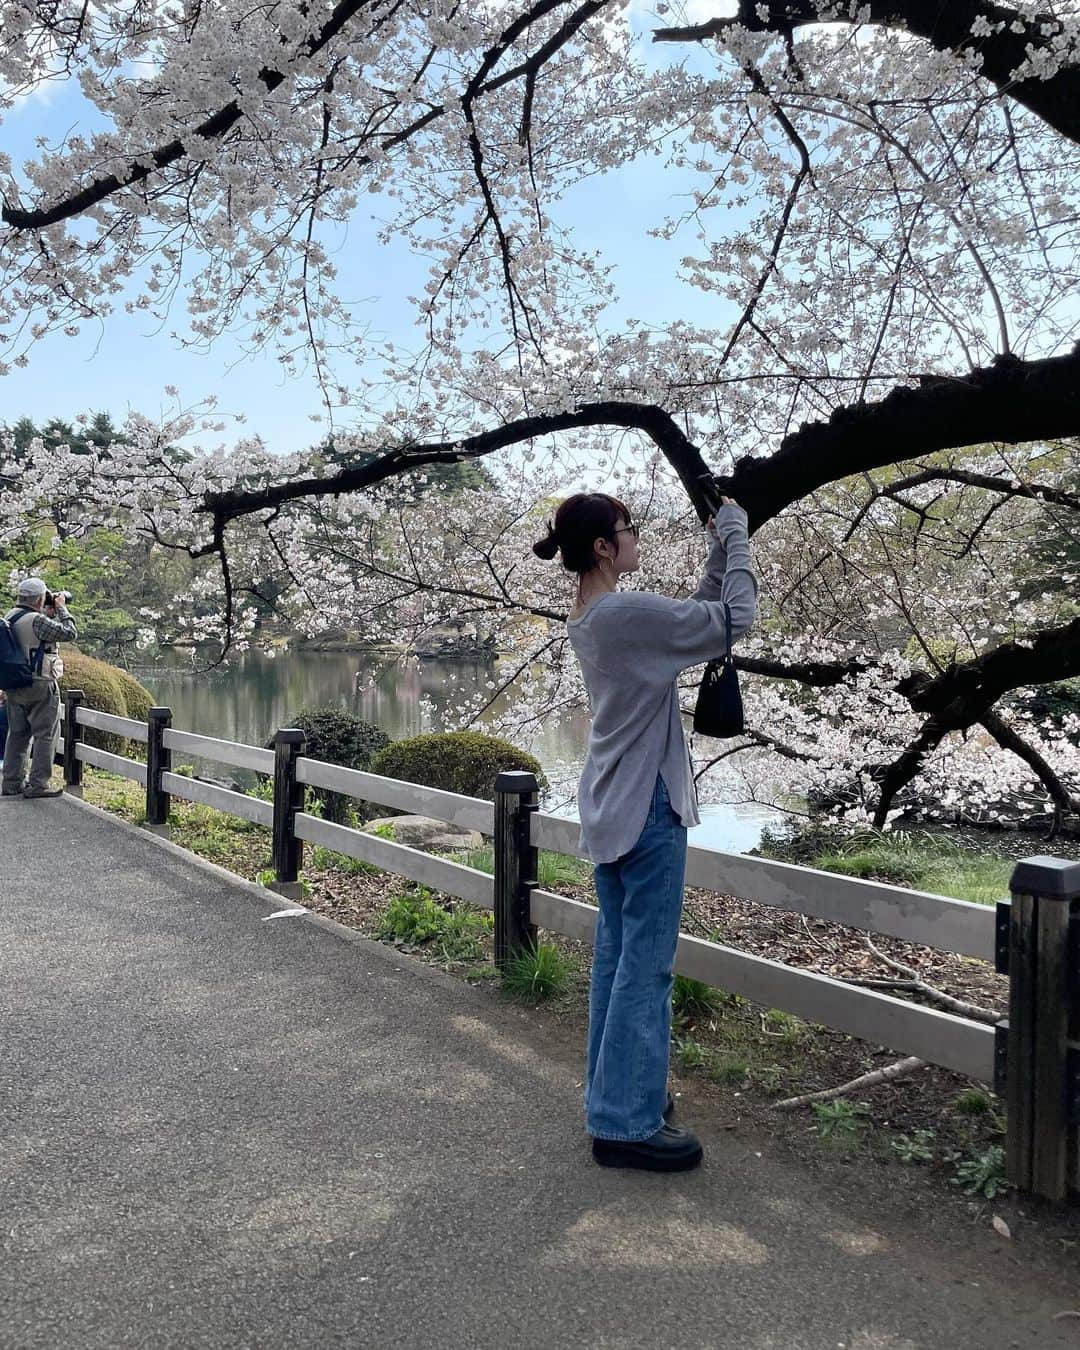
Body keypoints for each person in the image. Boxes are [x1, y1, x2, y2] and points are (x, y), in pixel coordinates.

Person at [533, 493, 757, 1172]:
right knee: (646, 969)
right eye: (629, 531)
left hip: (610, 801)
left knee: (617, 961)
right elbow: (734, 618)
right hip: (648, 806)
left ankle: (617, 1101)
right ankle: (626, 1124)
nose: (636, 540)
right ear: (603, 546)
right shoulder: (626, 613)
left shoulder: (597, 615)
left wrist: (718, 549)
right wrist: (741, 535)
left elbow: (693, 618)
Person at [2, 577, 78, 798]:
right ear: (39, 598)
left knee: (17, 735)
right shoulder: (37, 620)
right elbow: (69, 633)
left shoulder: (11, 616)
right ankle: (38, 784)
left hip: (15, 685)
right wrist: (62, 609)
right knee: (46, 734)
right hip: (40, 683)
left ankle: (11, 783)